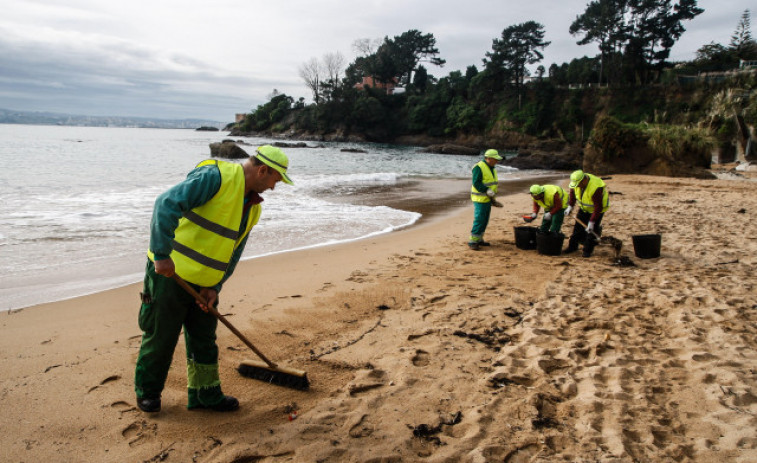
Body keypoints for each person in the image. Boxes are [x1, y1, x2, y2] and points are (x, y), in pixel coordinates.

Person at [134, 145, 293, 413]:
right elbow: (166, 203)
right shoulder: (214, 177)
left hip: (204, 285)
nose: (274, 188)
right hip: (170, 276)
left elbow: (233, 251)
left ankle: (205, 395)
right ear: (262, 170)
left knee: (204, 340)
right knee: (161, 334)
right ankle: (148, 392)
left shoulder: (253, 208)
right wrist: (161, 255)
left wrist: (215, 286)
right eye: (275, 180)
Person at [563, 169, 609, 257]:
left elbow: (598, 207)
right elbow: (573, 194)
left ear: (584, 180)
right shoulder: (576, 183)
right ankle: (572, 247)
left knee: (591, 231)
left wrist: (591, 222)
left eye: (579, 184)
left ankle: (587, 251)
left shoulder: (595, 187)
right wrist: (570, 206)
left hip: (597, 210)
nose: (578, 186)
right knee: (577, 228)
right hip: (584, 208)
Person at [469, 149, 503, 250]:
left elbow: (491, 183)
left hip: (487, 198)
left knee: (485, 220)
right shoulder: (478, 167)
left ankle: (479, 239)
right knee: (480, 219)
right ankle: (473, 241)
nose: (497, 161)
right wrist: (486, 190)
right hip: (480, 199)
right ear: (488, 158)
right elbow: (476, 182)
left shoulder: (492, 168)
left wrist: (493, 200)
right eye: (495, 159)